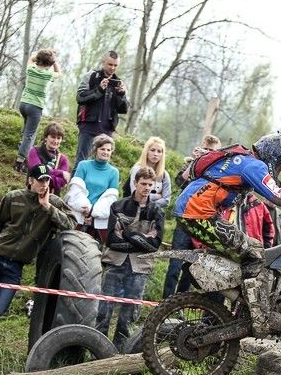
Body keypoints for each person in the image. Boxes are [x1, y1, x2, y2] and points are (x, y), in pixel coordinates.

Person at [173, 133, 281, 335]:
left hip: (196, 211)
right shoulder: (253, 165)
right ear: (272, 156)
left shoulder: (244, 160)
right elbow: (277, 195)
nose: (279, 171)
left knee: (252, 250)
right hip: (196, 213)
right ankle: (256, 315)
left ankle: (237, 307)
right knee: (254, 255)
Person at [0, 164, 76, 364]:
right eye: (40, 180)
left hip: (15, 268)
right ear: (30, 180)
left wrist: (48, 207)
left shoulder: (54, 202)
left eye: (47, 180)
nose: (44, 184)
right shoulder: (13, 197)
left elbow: (71, 224)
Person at [96, 167, 164, 350]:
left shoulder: (156, 211)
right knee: (104, 310)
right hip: (115, 261)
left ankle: (121, 354)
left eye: (150, 184)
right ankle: (98, 350)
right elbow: (112, 240)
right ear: (135, 183)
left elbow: (154, 244)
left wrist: (128, 234)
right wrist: (141, 240)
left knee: (129, 315)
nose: (147, 188)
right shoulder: (118, 206)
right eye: (143, 183)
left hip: (140, 267)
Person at [162, 135, 221, 300]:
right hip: (184, 220)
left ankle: (180, 302)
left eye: (211, 151)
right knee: (174, 264)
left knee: (191, 268)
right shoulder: (192, 163)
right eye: (205, 149)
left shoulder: (220, 170)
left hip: (203, 223)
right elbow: (180, 181)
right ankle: (165, 301)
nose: (207, 153)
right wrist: (194, 163)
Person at [75, 50, 128, 167]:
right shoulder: (91, 76)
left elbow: (123, 109)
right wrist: (99, 90)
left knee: (101, 165)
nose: (112, 68)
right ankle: (75, 180)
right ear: (103, 62)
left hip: (107, 130)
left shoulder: (119, 83)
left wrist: (121, 94)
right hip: (88, 126)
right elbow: (80, 97)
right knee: (82, 162)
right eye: (110, 64)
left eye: (115, 65)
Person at [64, 134, 119, 244]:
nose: (105, 152)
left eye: (108, 150)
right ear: (95, 150)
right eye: (102, 149)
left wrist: (93, 213)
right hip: (79, 211)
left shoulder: (114, 172)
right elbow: (76, 190)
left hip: (98, 216)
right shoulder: (83, 165)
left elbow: (110, 198)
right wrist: (86, 210)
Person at [15, 48, 61, 172]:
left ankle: (22, 145)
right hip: (35, 107)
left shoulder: (30, 69)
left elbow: (31, 58)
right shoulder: (48, 75)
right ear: (50, 63)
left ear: (38, 60)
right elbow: (58, 72)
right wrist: (54, 59)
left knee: (27, 129)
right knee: (30, 135)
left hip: (23, 104)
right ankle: (20, 162)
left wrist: (41, 55)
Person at [26, 122, 71, 194]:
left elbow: (63, 182)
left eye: (58, 138)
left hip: (53, 196)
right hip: (33, 194)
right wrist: (61, 173)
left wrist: (45, 176)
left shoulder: (63, 159)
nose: (55, 141)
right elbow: (38, 171)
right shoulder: (34, 151)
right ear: (46, 137)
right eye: (53, 137)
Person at [127, 137, 171, 208]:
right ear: (146, 151)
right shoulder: (137, 169)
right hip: (134, 208)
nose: (155, 154)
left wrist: (150, 206)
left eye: (159, 151)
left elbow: (166, 200)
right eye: (152, 150)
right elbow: (135, 194)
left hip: (154, 211)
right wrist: (158, 196)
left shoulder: (164, 174)